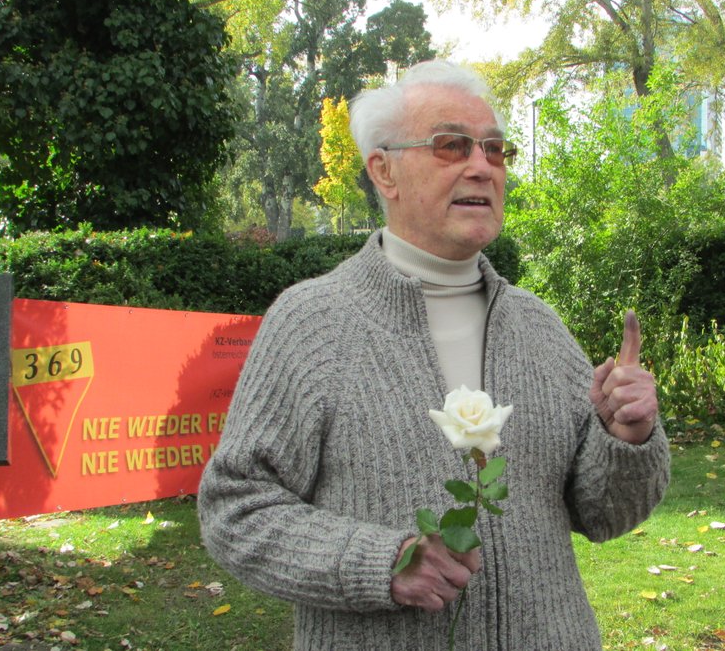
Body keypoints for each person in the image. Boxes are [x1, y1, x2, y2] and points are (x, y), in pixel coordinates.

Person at [197, 59, 671, 650]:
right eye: (452, 146)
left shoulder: (539, 328)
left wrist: (626, 437)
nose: (481, 166)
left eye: (495, 150)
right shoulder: (312, 323)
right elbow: (235, 509)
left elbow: (602, 514)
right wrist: (379, 562)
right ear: (384, 171)